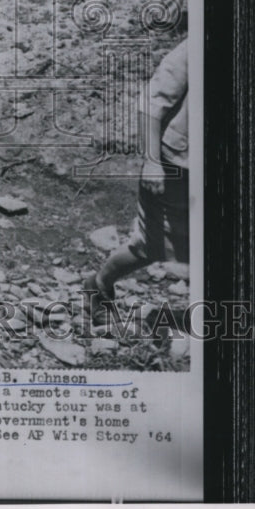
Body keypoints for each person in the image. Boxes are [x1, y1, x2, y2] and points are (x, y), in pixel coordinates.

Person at [82, 38, 189, 329]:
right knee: (153, 246)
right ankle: (99, 284)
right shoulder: (194, 50)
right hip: (176, 166)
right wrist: (152, 162)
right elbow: (150, 106)